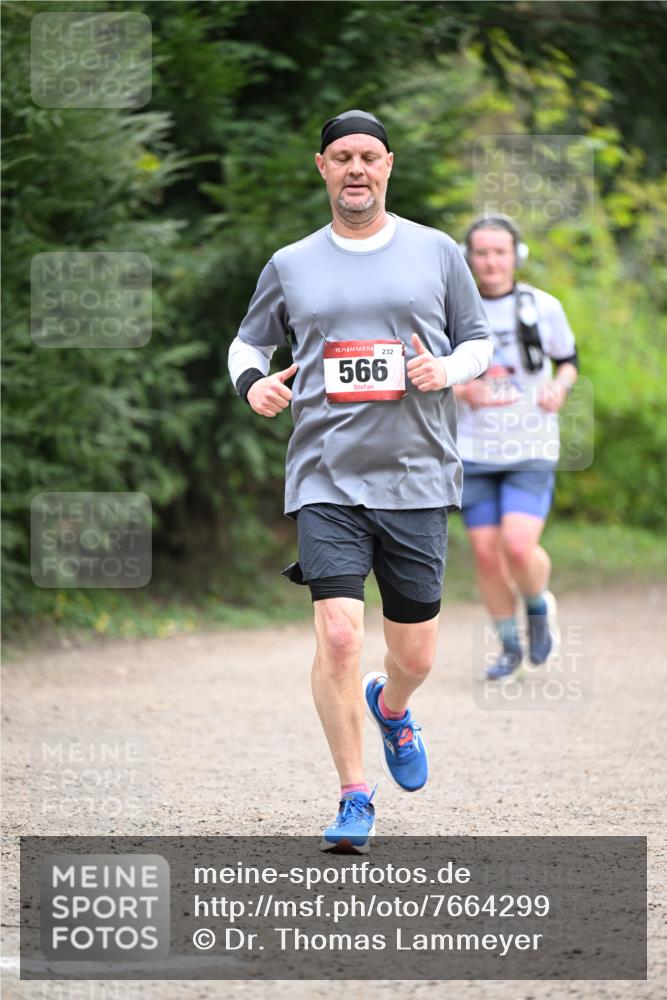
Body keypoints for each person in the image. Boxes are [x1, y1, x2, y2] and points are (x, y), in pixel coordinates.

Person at [228, 110, 492, 854]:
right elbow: (247, 343)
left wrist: (445, 369)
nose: (355, 168)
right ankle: (352, 795)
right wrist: (253, 384)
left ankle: (394, 706)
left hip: (415, 478)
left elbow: (477, 340)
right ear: (321, 167)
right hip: (324, 478)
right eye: (341, 156)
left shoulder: (437, 253)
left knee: (414, 656)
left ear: (387, 166)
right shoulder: (290, 263)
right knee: (339, 636)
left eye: (367, 157)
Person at [454, 214, 579, 682]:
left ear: (516, 256)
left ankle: (537, 604)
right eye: (481, 252)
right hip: (473, 448)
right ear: (469, 258)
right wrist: (461, 391)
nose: (490, 261)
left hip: (530, 443)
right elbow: (432, 373)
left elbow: (567, 361)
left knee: (518, 546)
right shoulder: (454, 310)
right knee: (486, 554)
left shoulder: (542, 306)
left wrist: (560, 388)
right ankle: (508, 647)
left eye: (499, 251)